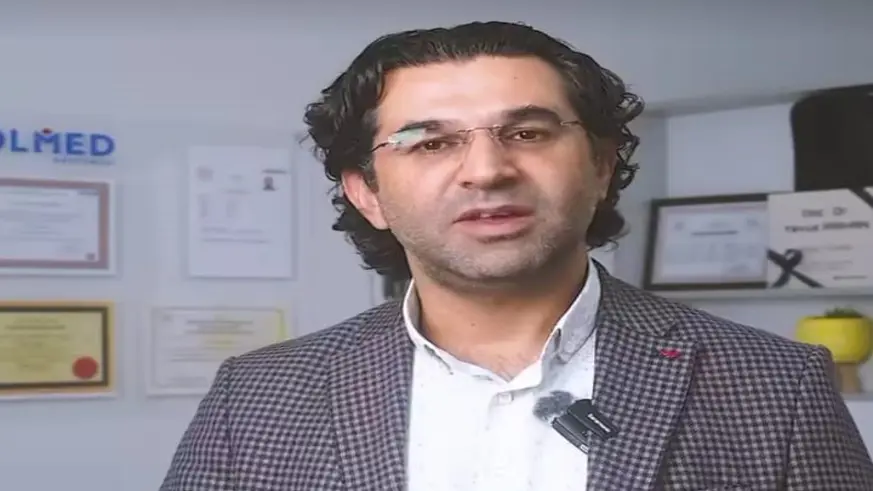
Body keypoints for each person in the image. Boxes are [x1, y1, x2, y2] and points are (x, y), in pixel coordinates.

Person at [160, 21, 873, 490]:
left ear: (600, 165)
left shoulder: (774, 383)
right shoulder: (257, 396)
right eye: (430, 142)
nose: (486, 171)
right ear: (367, 192)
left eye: (527, 133)